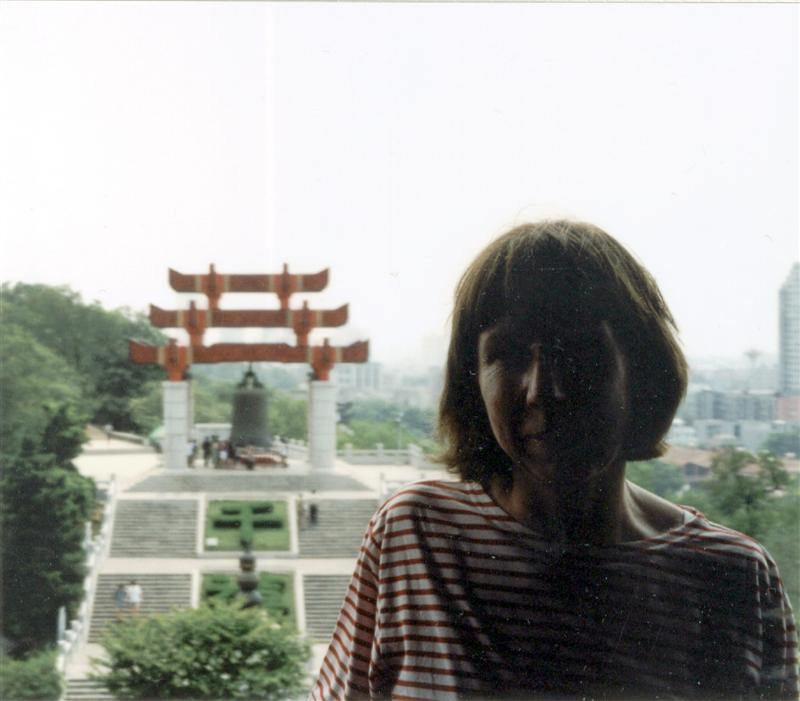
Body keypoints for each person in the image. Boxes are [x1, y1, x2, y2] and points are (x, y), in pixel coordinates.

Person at [310, 221, 798, 700]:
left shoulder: (731, 577)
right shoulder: (418, 537)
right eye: (508, 354)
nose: (544, 389)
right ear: (473, 382)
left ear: (642, 372)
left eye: (579, 351)